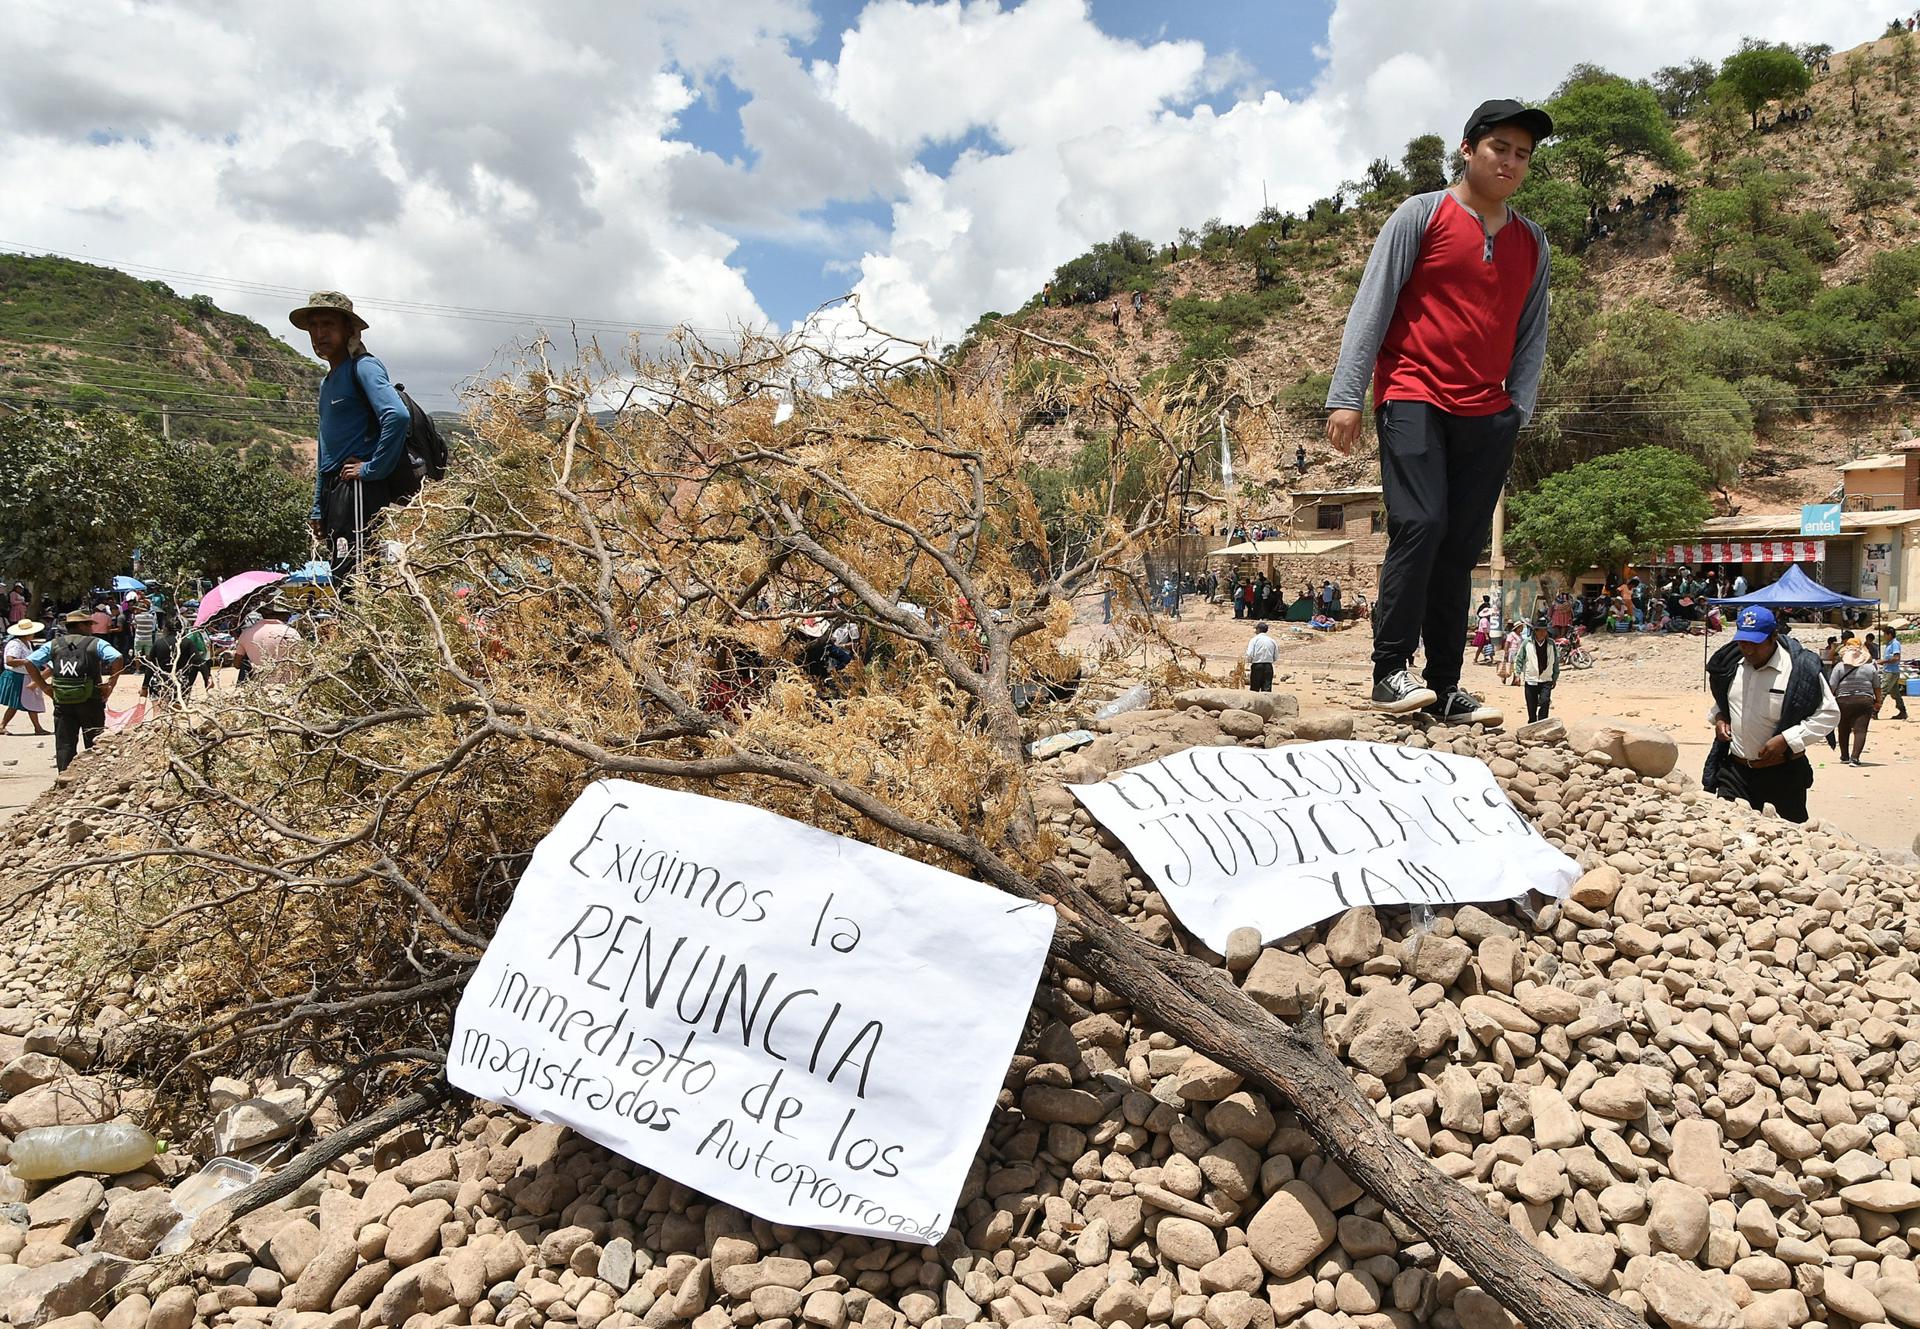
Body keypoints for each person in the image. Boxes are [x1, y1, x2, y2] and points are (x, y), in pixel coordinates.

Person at [1324, 97, 1552, 722]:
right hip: (1412, 390)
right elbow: (1373, 303)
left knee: (1459, 547)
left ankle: (1445, 685)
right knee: (1420, 524)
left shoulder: (1531, 242)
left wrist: (1518, 408)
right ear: (1468, 148)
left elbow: (1533, 332)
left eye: (1522, 154)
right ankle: (1388, 670)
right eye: (1498, 148)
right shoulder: (1420, 215)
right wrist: (1347, 395)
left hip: (1488, 409)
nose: (1510, 161)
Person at [292, 291, 410, 584]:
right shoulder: (328, 381)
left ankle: (368, 630)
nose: (319, 334)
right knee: (341, 571)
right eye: (314, 326)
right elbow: (325, 449)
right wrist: (318, 506)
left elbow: (397, 415)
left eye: (328, 325)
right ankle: (348, 629)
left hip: (358, 489)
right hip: (337, 490)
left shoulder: (363, 367)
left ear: (348, 329)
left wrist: (371, 469)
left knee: (360, 575)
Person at [1704, 607, 1838, 825]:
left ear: (1774, 637)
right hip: (1735, 772)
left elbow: (1829, 714)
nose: (1747, 650)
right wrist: (1719, 717)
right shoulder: (1730, 665)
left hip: (1782, 776)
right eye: (1742, 642)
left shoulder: (1799, 669)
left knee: (1786, 840)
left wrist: (1787, 739)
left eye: (1755, 644)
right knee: (1729, 832)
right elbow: (1726, 701)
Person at [23, 608, 126, 772]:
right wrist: (111, 684)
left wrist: (44, 686)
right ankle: (92, 776)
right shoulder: (96, 643)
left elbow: (29, 662)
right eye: (89, 625)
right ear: (82, 626)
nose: (91, 628)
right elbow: (117, 658)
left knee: (65, 743)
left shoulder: (53, 645)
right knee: (94, 741)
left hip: (62, 701)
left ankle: (64, 780)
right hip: (91, 700)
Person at [1829, 641, 1880, 766]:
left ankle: (1844, 756)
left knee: (1843, 728)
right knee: (1860, 730)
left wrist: (1828, 701)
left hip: (1843, 701)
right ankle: (1855, 758)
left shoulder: (1840, 667)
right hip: (1864, 701)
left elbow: (1832, 686)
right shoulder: (1870, 667)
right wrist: (1879, 701)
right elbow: (1877, 687)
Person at [0, 619, 49, 736]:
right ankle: (3, 725)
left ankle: (37, 727)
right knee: (18, 702)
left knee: (28, 702)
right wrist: (28, 662)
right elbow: (10, 661)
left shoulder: (26, 644)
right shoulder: (15, 644)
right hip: (17, 676)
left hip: (24, 675)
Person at [235, 599, 303, 674]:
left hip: (256, 683)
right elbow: (300, 660)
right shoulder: (290, 633)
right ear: (282, 615)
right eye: (288, 614)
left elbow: (237, 664)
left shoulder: (246, 633)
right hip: (286, 683)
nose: (289, 617)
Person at [1520, 616, 1559, 722]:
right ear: (1535, 631)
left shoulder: (1551, 644)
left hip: (1546, 679)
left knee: (1545, 701)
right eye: (1540, 631)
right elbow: (1519, 659)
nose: (1542, 633)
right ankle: (1532, 723)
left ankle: (1543, 722)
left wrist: (1555, 677)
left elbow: (1555, 661)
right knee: (1531, 706)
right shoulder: (1527, 643)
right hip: (1531, 679)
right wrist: (1517, 674)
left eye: (1544, 631)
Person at [1880, 631, 1908, 720]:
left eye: (1885, 634)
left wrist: (1883, 661)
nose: (1884, 636)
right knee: (1895, 693)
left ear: (1889, 634)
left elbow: (1896, 658)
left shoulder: (1895, 644)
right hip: (1891, 671)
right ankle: (1902, 711)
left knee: (1882, 690)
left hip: (1891, 671)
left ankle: (1874, 711)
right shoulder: (1890, 644)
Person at [1245, 622, 1278, 693]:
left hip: (1257, 665)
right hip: (1268, 666)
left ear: (1259, 630)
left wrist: (1250, 661)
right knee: (1267, 690)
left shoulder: (1254, 640)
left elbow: (1250, 654)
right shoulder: (1272, 641)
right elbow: (1276, 656)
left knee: (1254, 689)